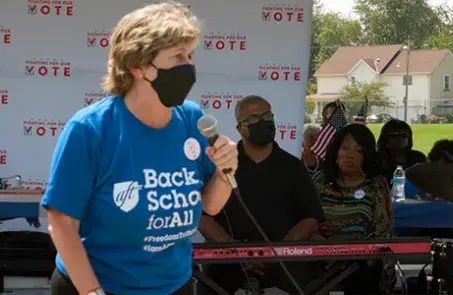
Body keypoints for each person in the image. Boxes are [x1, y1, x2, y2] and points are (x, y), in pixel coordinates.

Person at [40, 3, 238, 295]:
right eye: (177, 56)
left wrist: (224, 173)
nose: (188, 65)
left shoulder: (193, 119)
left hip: (174, 285)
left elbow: (210, 206)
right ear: (139, 67)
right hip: (99, 286)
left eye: (190, 55)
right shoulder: (92, 129)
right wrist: (92, 292)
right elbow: (61, 224)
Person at [198, 95, 325, 295]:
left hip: (284, 260)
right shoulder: (223, 164)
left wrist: (277, 252)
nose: (263, 122)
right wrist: (236, 252)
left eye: (267, 116)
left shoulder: (292, 166)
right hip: (229, 260)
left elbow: (310, 218)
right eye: (254, 118)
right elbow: (203, 218)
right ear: (240, 128)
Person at [313, 123, 394, 294]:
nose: (350, 156)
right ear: (336, 152)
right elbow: (306, 218)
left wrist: (354, 250)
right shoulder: (320, 180)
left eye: (358, 151)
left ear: (367, 156)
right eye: (345, 148)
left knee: (366, 272)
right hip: (319, 253)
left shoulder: (376, 184)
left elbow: (384, 228)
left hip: (360, 259)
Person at [377, 119, 427, 185]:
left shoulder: (418, 158)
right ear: (385, 139)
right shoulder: (377, 160)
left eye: (404, 135)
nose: (399, 138)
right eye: (394, 135)